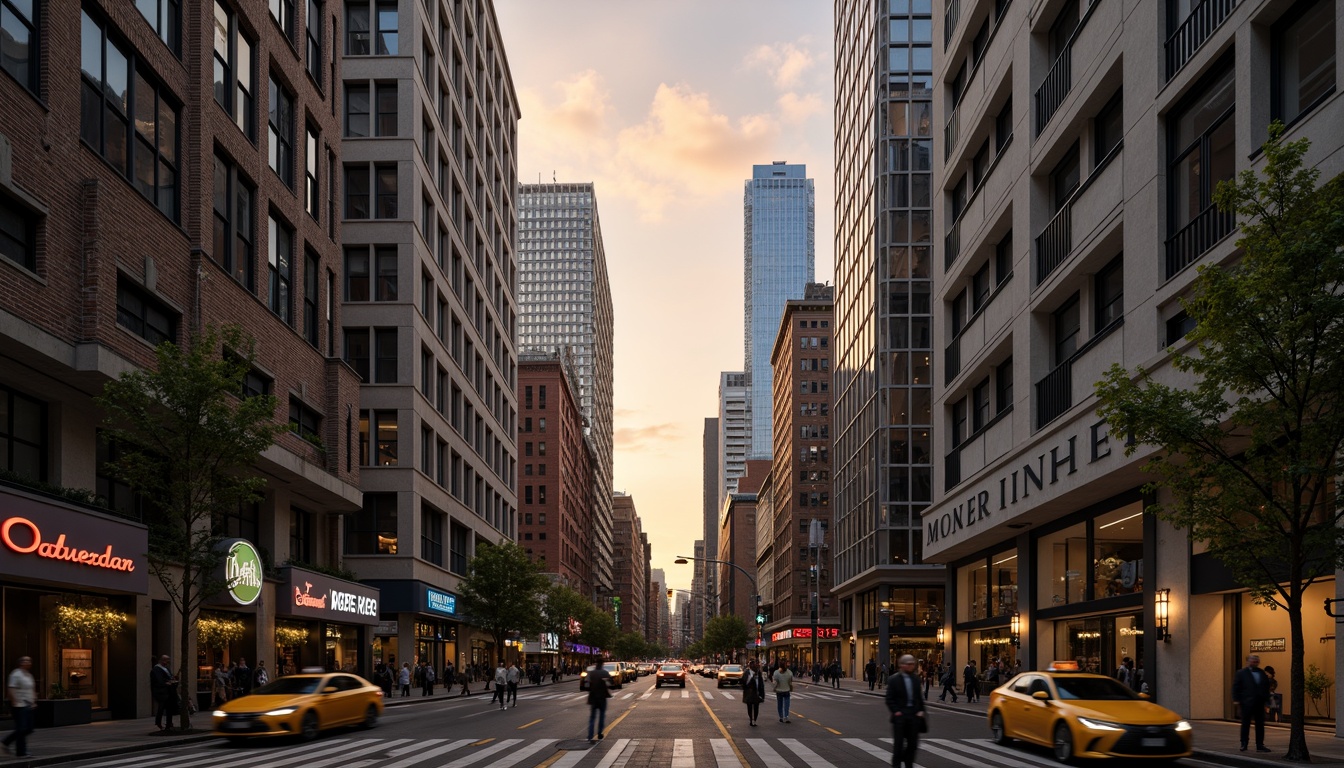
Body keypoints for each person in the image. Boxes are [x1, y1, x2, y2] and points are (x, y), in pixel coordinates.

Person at [886, 655, 926, 768]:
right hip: (900, 716)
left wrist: (921, 710)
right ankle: (897, 764)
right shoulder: (894, 679)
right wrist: (896, 711)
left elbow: (919, 698)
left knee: (913, 745)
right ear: (901, 665)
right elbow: (889, 698)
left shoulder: (915, 679)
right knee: (898, 745)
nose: (910, 666)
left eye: (912, 664)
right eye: (908, 664)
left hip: (913, 715)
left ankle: (908, 763)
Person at [1233, 654, 1273, 753]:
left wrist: (1267, 702)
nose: (1255, 662)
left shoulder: (1262, 673)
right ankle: (1244, 744)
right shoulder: (1241, 673)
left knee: (1260, 725)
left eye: (1256, 660)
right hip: (1246, 703)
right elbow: (1236, 687)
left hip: (1259, 703)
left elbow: (1266, 688)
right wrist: (1237, 701)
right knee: (1245, 724)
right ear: (1248, 661)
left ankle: (1260, 745)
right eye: (1253, 660)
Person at [2, 656, 35, 757]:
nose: (27, 662)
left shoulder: (28, 675)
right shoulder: (16, 674)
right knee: (22, 728)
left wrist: (34, 701)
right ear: (20, 663)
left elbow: (31, 689)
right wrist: (14, 701)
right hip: (19, 705)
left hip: (28, 705)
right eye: (25, 660)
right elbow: (11, 688)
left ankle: (6, 743)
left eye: (29, 660)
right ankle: (20, 751)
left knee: (28, 729)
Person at [150, 655, 178, 731]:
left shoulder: (166, 669)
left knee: (169, 708)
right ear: (162, 660)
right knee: (161, 707)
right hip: (161, 692)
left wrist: (172, 680)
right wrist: (167, 682)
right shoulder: (156, 669)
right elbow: (159, 680)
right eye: (167, 661)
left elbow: (170, 677)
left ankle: (169, 723)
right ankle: (159, 722)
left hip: (168, 691)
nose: (168, 663)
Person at [586, 663, 612, 742]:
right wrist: (606, 681)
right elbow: (611, 682)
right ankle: (600, 733)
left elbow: (587, 684)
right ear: (602, 665)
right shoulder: (604, 672)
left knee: (592, 717)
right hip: (602, 697)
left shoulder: (592, 673)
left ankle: (590, 735)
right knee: (601, 716)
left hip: (593, 697)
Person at [742, 659, 765, 726]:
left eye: (756, 665)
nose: (756, 666)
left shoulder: (758, 673)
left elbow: (761, 684)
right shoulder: (747, 672)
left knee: (756, 707)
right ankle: (751, 719)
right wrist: (751, 677)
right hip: (749, 693)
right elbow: (744, 682)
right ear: (751, 666)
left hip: (757, 693)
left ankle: (754, 720)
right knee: (749, 707)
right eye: (754, 664)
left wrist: (762, 694)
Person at [772, 658, 795, 723]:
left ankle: (781, 717)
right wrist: (791, 688)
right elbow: (790, 682)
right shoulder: (789, 673)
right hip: (786, 690)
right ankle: (786, 716)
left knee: (780, 704)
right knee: (787, 704)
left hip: (779, 690)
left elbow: (775, 682)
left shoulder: (776, 673)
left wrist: (774, 688)